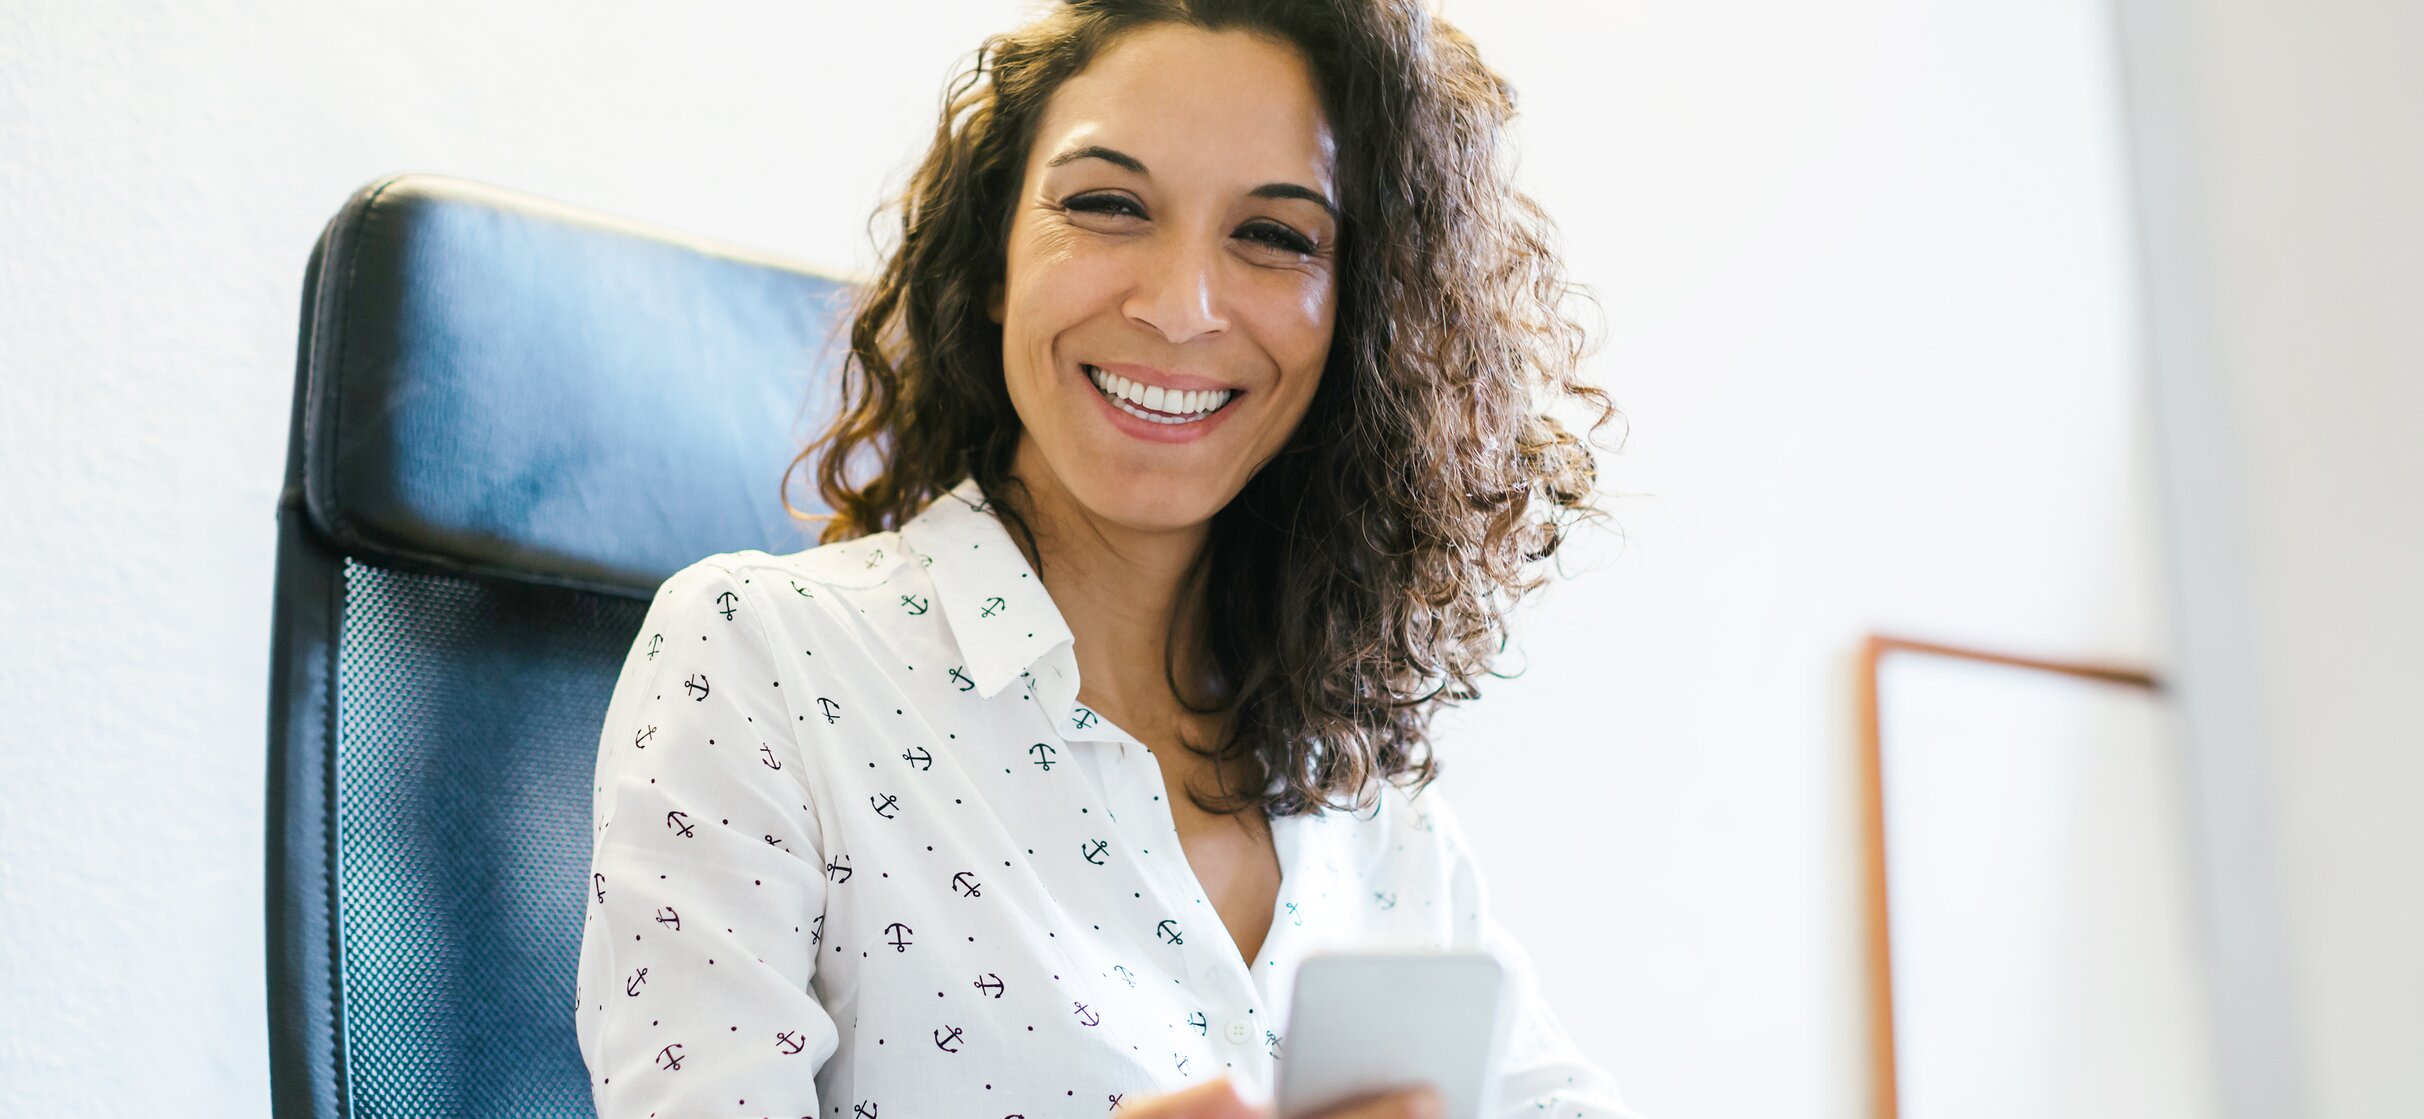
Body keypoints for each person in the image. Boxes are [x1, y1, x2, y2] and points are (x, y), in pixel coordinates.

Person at [573, 2, 1634, 1116]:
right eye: (1107, 205)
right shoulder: (759, 656)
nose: (1181, 309)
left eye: (1275, 235)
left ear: (1358, 315)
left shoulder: (1370, 800)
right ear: (994, 260)